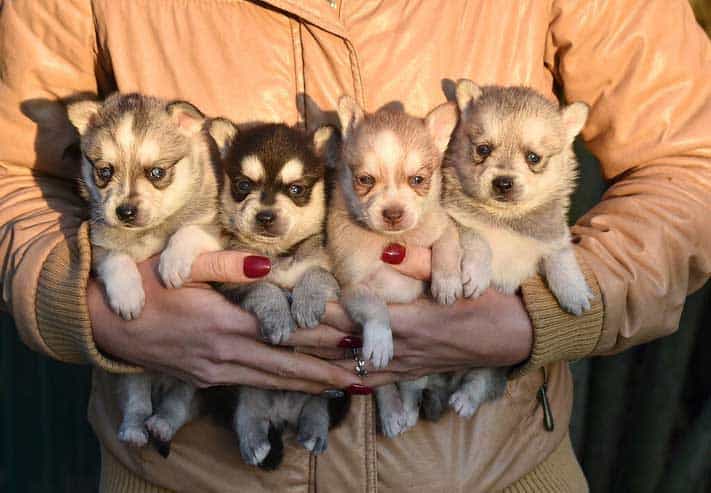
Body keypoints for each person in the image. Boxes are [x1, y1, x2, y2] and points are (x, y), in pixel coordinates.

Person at [1, 1, 710, 491]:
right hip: (190, 468)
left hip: (494, 469)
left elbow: (691, 159)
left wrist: (534, 314)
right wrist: (93, 303)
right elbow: (11, 172)